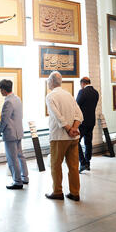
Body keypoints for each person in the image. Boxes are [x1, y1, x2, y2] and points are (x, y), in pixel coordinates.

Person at [45, 71, 83, 202]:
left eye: (48, 80)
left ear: (51, 82)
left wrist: (68, 129)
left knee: (56, 165)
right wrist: (74, 128)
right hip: (73, 138)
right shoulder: (69, 95)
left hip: (59, 137)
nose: (47, 82)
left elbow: (57, 116)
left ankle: (57, 191)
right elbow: (79, 115)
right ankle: (75, 193)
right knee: (73, 166)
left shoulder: (50, 96)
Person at [0, 79, 29, 189]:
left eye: (0, 89)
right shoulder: (17, 99)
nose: (0, 92)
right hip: (18, 131)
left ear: (3, 90)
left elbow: (5, 119)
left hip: (10, 134)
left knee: (12, 158)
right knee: (20, 156)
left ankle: (17, 181)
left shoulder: (8, 102)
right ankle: (25, 177)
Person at [76, 77, 99, 174]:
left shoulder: (82, 92)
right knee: (88, 142)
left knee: (76, 141)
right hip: (91, 121)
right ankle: (88, 162)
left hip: (82, 122)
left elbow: (76, 106)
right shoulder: (95, 92)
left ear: (83, 83)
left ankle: (83, 162)